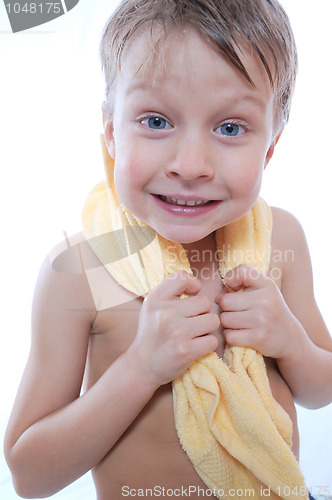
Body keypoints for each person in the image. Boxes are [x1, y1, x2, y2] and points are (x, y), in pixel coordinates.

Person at [4, 0, 332, 498]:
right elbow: (29, 475)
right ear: (112, 131)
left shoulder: (281, 240)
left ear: (270, 146)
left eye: (229, 127)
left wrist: (290, 342)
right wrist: (141, 368)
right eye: (156, 121)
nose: (191, 164)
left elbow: (321, 389)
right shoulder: (80, 271)